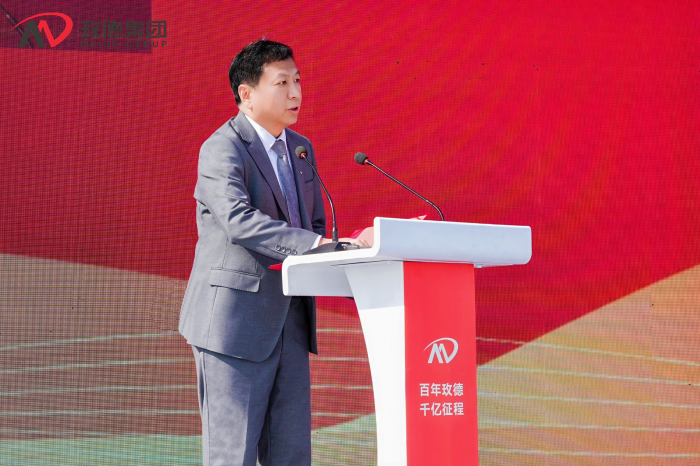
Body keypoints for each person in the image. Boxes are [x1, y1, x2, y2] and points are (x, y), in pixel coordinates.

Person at [178, 39, 366, 466]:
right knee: (234, 455)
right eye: (282, 83)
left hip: (291, 322)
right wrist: (317, 245)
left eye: (297, 81)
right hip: (235, 325)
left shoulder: (300, 148)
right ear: (246, 94)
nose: (296, 93)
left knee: (291, 454)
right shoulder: (222, 148)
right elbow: (239, 221)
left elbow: (311, 225)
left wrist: (345, 249)